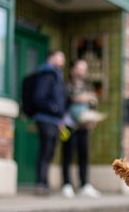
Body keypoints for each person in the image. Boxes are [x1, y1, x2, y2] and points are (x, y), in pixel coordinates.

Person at [61, 59, 103, 198]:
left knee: (83, 155)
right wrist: (79, 99)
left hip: (84, 126)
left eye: (84, 69)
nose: (82, 71)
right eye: (80, 68)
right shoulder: (66, 85)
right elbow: (63, 101)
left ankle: (84, 184)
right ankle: (66, 184)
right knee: (67, 154)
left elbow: (93, 103)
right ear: (73, 70)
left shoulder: (88, 86)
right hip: (69, 125)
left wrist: (92, 119)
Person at [32, 50, 66, 195]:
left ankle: (44, 182)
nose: (62, 60)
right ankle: (40, 183)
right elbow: (39, 97)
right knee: (45, 150)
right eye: (60, 56)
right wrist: (54, 108)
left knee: (50, 151)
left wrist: (60, 118)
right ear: (50, 58)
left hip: (54, 120)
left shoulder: (57, 76)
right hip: (44, 118)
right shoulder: (46, 74)